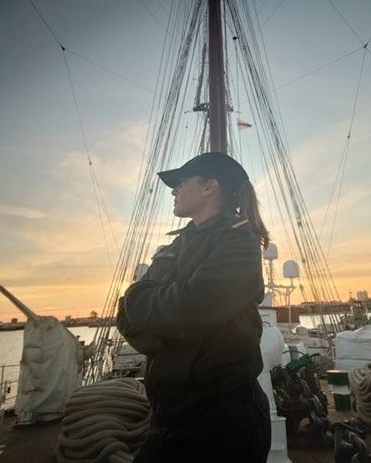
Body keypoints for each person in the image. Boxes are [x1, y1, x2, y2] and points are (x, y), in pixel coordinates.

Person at [117, 151, 272, 462]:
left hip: (220, 420)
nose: (174, 190)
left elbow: (190, 310)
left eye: (182, 181)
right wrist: (168, 330)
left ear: (209, 186)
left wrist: (154, 317)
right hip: (167, 416)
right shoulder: (176, 245)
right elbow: (126, 316)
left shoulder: (239, 241)